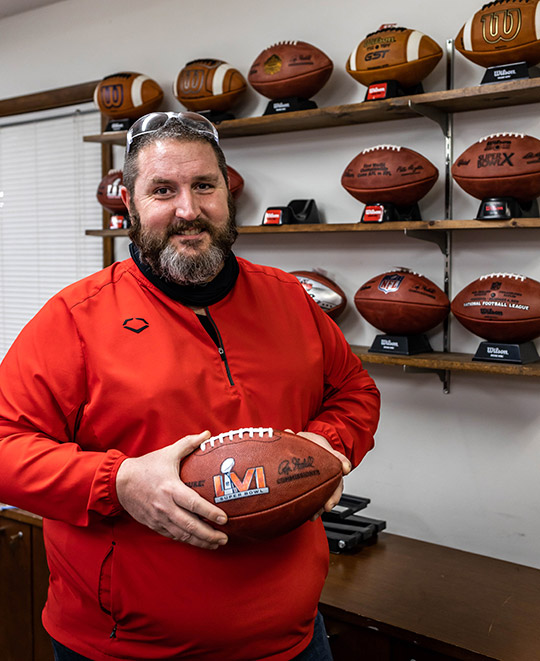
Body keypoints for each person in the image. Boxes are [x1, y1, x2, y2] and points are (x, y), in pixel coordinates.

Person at [0, 111, 380, 661]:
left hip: (292, 641)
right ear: (129, 204)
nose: (188, 209)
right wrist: (120, 481)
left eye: (204, 185)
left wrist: (330, 446)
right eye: (163, 190)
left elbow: (355, 392)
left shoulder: (288, 299)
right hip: (123, 649)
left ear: (227, 192)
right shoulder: (74, 319)